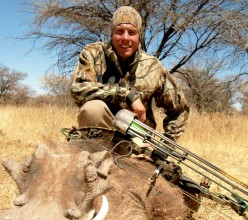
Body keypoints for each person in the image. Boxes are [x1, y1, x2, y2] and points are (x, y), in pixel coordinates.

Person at [71, 6, 189, 142]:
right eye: (119, 31)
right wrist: (126, 95)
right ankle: (97, 152)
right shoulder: (93, 54)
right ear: (111, 33)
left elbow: (180, 110)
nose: (125, 38)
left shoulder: (153, 66)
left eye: (132, 32)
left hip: (138, 140)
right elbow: (77, 89)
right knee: (93, 109)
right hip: (100, 136)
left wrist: (165, 143)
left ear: (139, 36)